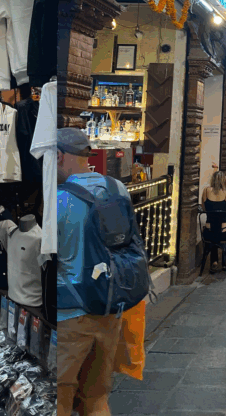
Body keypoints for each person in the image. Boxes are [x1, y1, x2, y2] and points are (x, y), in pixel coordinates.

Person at [57, 128, 148, 416]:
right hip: (110, 307)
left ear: (58, 156)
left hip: (70, 313)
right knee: (96, 398)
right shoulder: (117, 188)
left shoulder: (59, 200)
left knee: (60, 398)